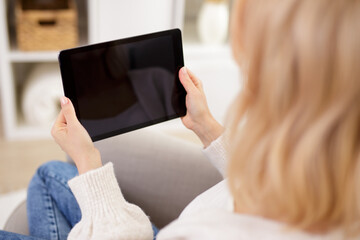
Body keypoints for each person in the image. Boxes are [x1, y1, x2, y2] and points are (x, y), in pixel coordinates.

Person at [1, 0, 359, 239]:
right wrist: (208, 129)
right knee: (51, 173)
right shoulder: (333, 167)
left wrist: (88, 164)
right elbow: (274, 188)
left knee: (48, 174)